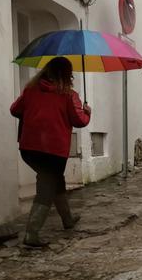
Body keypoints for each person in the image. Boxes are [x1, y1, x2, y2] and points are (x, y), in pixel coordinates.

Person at [10, 57, 92, 247]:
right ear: (67, 75)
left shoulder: (30, 90)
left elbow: (15, 109)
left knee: (55, 180)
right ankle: (31, 233)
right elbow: (79, 121)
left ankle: (68, 220)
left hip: (29, 148)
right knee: (47, 186)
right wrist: (87, 111)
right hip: (54, 150)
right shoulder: (69, 95)